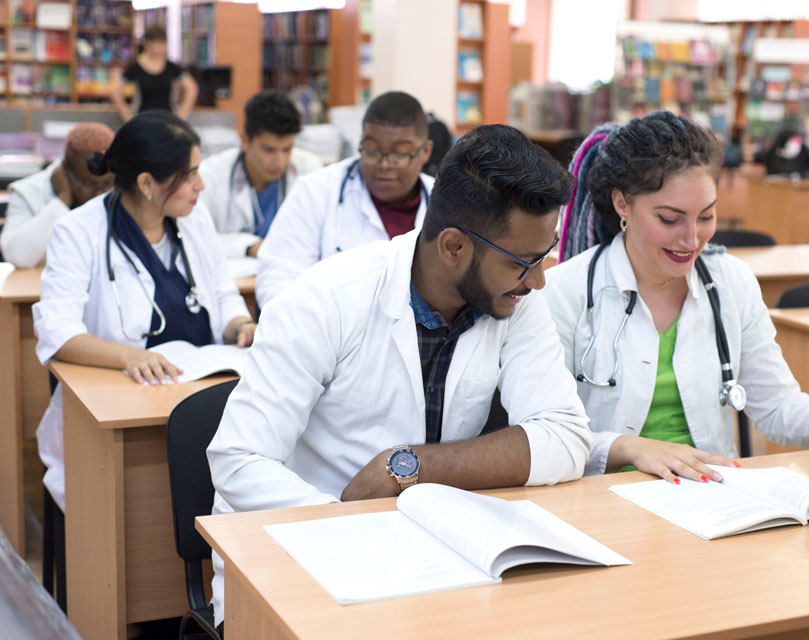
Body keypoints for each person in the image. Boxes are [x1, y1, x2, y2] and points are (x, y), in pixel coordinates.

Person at [207, 124, 593, 627]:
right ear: (453, 247)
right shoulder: (326, 300)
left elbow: (565, 437)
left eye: (546, 256)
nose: (540, 279)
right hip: (304, 554)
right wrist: (348, 524)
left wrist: (407, 466)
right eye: (524, 262)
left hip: (432, 558)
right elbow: (239, 459)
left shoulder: (514, 299)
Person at [544, 111, 809, 483]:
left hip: (712, 496)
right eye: (670, 219)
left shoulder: (731, 283)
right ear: (622, 204)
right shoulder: (565, 292)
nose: (692, 239)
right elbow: (545, 432)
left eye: (706, 216)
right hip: (603, 502)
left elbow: (777, 404)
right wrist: (627, 447)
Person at [32, 110, 256, 512]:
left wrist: (240, 324)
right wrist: (130, 356)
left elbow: (222, 294)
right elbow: (58, 332)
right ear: (147, 183)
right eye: (189, 175)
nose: (200, 185)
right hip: (129, 412)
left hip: (202, 395)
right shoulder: (79, 231)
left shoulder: (194, 218)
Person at [255, 90, 434, 307]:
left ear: (425, 151)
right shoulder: (316, 191)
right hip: (327, 336)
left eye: (399, 154)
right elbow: (277, 279)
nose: (384, 165)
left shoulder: (446, 203)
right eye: (372, 150)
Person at [198, 90, 323, 258]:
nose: (280, 162)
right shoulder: (210, 175)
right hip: (238, 281)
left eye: (287, 149)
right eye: (269, 150)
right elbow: (196, 238)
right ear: (244, 140)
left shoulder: (310, 170)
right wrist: (250, 246)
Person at [0, 123, 115, 268]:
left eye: (106, 184)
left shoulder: (123, 189)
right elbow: (18, 256)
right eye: (88, 185)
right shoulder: (29, 191)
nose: (99, 193)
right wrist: (62, 201)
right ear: (65, 170)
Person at [110, 25, 198, 122]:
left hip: (167, 121)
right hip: (142, 121)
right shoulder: (136, 67)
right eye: (156, 43)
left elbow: (192, 88)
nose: (160, 47)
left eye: (162, 43)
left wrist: (182, 115)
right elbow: (115, 90)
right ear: (147, 43)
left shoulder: (171, 67)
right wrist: (127, 116)